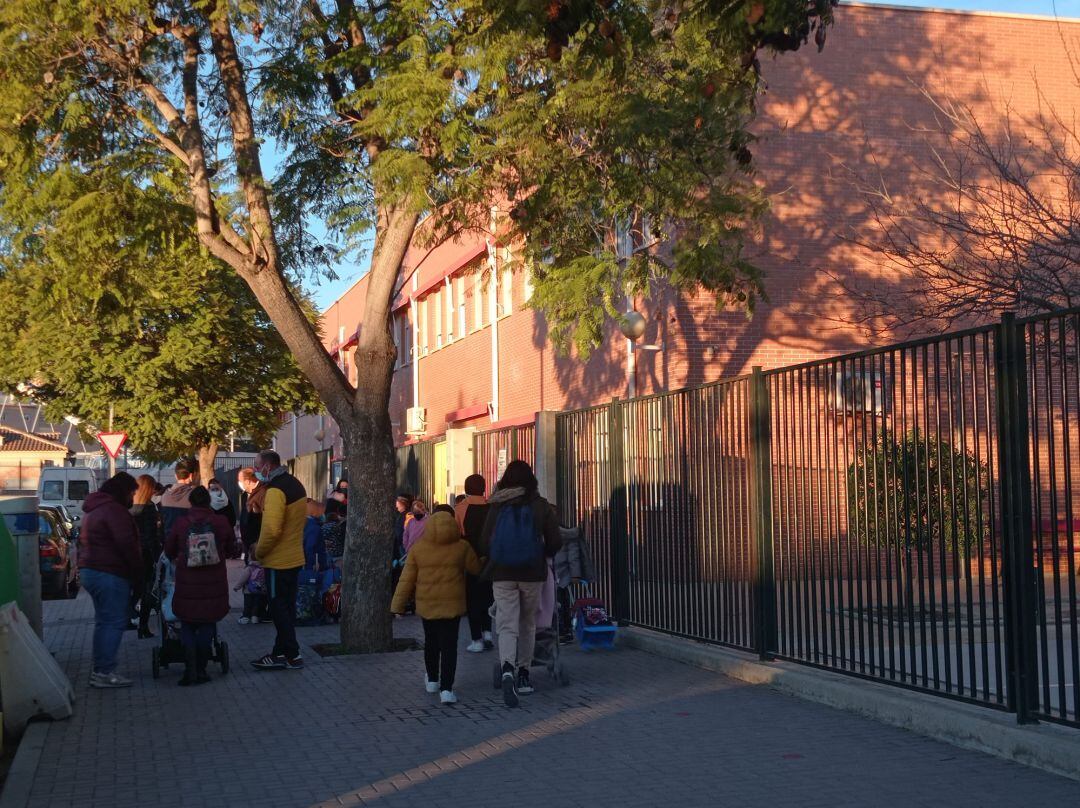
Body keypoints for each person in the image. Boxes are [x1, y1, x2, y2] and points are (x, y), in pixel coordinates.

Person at [479, 460, 562, 708]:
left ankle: (507, 668)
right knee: (527, 623)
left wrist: (498, 555)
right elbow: (555, 541)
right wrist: (539, 553)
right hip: (532, 573)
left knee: (506, 624)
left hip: (502, 573)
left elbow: (484, 542)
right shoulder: (540, 505)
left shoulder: (496, 504)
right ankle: (524, 674)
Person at [390, 511, 483, 705]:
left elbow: (407, 579)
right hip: (453, 603)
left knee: (431, 642)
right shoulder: (462, 547)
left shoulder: (418, 549)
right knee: (450, 646)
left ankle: (432, 679)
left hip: (427, 604)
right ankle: (447, 689)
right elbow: (475, 569)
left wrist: (397, 605)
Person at [164, 486, 233, 686]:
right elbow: (231, 548)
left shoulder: (181, 523)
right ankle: (202, 668)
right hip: (214, 582)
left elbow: (169, 549)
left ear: (191, 502)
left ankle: (190, 668)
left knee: (187, 622)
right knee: (208, 622)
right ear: (209, 501)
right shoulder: (221, 522)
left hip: (188, 582)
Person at [78, 472, 141, 688]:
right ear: (124, 492)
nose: (133, 498)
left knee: (103, 622)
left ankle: (100, 670)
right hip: (110, 572)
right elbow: (127, 545)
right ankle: (105, 672)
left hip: (90, 570)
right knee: (114, 622)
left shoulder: (94, 509)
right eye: (132, 492)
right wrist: (137, 572)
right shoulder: (115, 511)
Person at [250, 450, 307, 671]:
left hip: (277, 560)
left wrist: (260, 552)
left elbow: (272, 529)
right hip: (294, 556)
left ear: (268, 466)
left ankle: (292, 655)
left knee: (278, 609)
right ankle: (280, 652)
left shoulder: (275, 490)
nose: (256, 470)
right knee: (287, 608)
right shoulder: (295, 485)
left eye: (257, 465)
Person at [456, 474, 493, 653]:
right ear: (484, 487)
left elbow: (457, 534)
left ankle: (476, 639)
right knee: (487, 596)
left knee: (472, 599)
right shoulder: (492, 507)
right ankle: (488, 633)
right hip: (490, 559)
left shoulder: (460, 508)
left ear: (466, 488)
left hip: (469, 558)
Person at [130, 474, 163, 639]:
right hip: (146, 554)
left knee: (136, 588)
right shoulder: (149, 508)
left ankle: (130, 617)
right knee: (147, 590)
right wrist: (158, 557)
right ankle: (143, 626)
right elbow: (152, 537)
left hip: (132, 553)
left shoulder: (129, 507)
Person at [160, 461, 196, 537]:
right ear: (191, 476)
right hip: (190, 541)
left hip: (169, 540)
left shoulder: (164, 496)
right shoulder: (195, 495)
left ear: (176, 476)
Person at [237, 467, 266, 556]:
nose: (239, 483)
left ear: (247, 481)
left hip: (256, 546)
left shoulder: (262, 493)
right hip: (249, 546)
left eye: (240, 480)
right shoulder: (247, 494)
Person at [233, 558, 266, 625]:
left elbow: (243, 579)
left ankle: (245, 618)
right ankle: (255, 618)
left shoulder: (249, 568)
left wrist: (237, 587)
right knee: (256, 605)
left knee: (248, 605)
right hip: (260, 591)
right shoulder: (264, 567)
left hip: (248, 591)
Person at [304, 499, 328, 570]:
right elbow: (309, 547)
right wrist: (313, 563)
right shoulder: (314, 527)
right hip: (312, 565)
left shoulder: (306, 524)